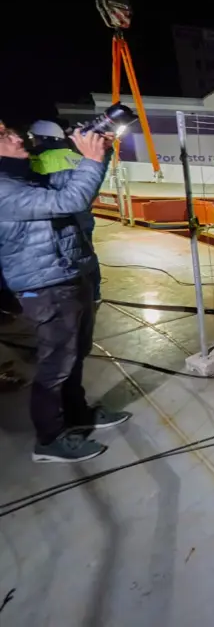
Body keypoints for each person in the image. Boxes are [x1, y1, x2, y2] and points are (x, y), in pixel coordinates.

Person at [0, 121, 130, 463]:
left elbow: (73, 191)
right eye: (3, 135)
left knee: (75, 353)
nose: (16, 136)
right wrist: (89, 159)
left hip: (68, 275)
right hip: (45, 285)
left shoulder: (23, 177)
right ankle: (49, 439)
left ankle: (77, 414)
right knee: (56, 363)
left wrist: (99, 153)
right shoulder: (3, 189)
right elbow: (70, 200)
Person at [27, 119, 101, 303]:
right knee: (87, 254)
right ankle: (94, 294)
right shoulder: (78, 156)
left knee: (60, 261)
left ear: (41, 139)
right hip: (84, 216)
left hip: (57, 219)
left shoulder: (36, 161)